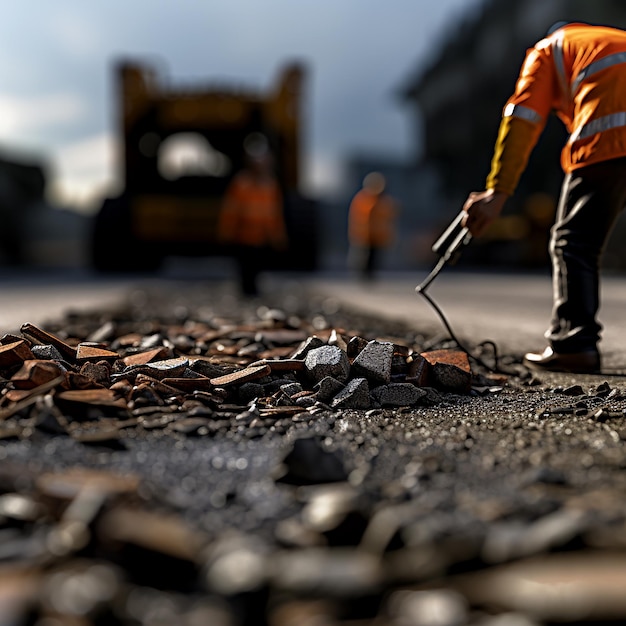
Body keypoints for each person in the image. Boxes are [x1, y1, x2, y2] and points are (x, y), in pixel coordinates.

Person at [462, 21, 626, 374]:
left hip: (610, 132)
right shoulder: (601, 41)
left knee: (574, 242)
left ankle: (574, 345)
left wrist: (497, 192)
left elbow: (522, 117)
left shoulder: (546, 51)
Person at [218, 134, 288, 297]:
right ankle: (245, 291)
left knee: (257, 267)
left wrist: (278, 237)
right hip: (243, 236)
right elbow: (231, 210)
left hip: (260, 237)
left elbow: (275, 214)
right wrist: (226, 232)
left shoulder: (270, 185)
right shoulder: (241, 183)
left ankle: (252, 291)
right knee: (245, 268)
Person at [347, 172, 398, 281]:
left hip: (377, 237)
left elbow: (390, 215)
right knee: (364, 257)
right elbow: (360, 218)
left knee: (374, 258)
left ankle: (370, 276)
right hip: (365, 236)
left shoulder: (383, 201)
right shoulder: (363, 200)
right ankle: (362, 275)